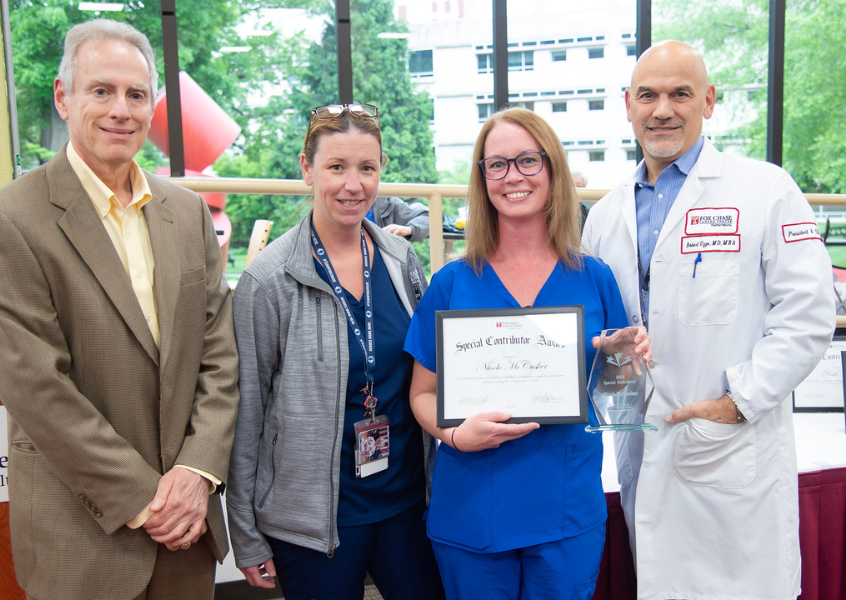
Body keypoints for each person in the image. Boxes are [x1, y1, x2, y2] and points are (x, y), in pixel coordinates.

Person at [0, 19, 239, 600]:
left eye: (136, 95)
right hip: (83, 537)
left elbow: (220, 352)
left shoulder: (187, 213)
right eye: (101, 90)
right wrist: (147, 500)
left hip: (189, 528)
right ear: (64, 98)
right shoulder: (6, 220)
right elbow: (38, 387)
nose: (121, 110)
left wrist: (198, 472)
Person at [582, 40, 836, 599]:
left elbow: (810, 314)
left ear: (710, 101)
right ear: (628, 104)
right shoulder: (604, 215)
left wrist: (736, 402)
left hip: (732, 444)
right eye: (648, 95)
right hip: (643, 447)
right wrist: (616, 407)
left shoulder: (765, 191)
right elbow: (607, 333)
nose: (662, 109)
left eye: (681, 94)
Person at [403, 107, 650, 599]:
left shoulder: (595, 277)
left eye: (527, 161)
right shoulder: (450, 283)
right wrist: (454, 436)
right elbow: (422, 394)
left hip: (565, 512)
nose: (512, 176)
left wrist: (627, 359)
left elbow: (620, 401)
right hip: (472, 511)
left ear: (552, 169)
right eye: (496, 164)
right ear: (482, 178)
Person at [227, 102, 445, 600]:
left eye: (367, 168)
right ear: (307, 169)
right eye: (336, 167)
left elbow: (430, 365)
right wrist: (245, 532)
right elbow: (248, 411)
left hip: (407, 503)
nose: (354, 185)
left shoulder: (401, 259)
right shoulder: (269, 281)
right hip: (312, 523)